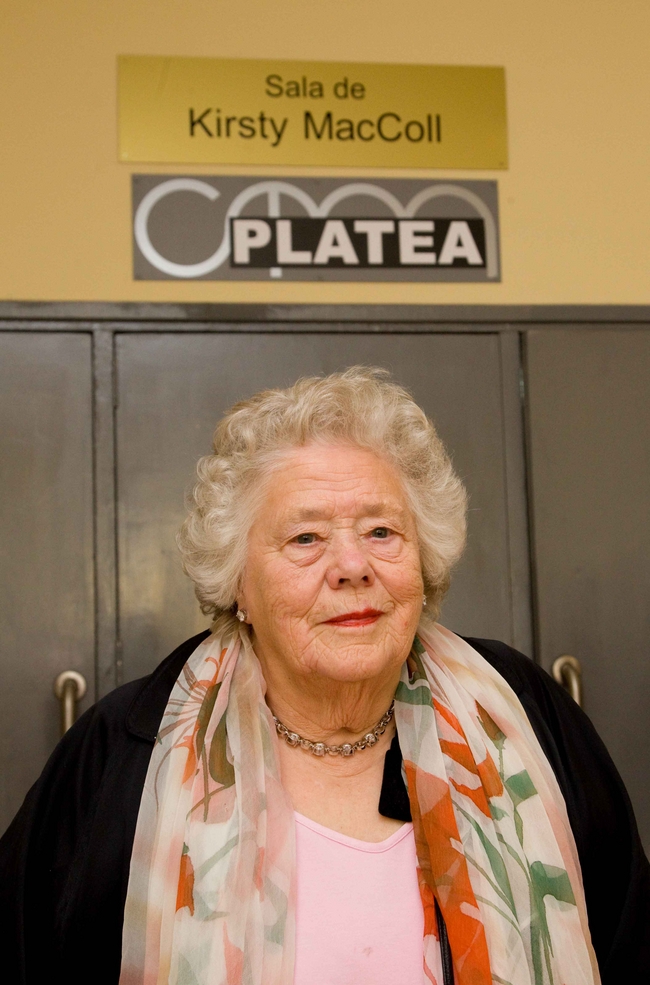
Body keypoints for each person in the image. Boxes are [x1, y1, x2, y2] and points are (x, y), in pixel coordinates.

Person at [1, 368, 648, 985]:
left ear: (423, 563)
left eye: (381, 530)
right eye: (306, 538)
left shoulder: (520, 709)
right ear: (239, 587)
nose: (352, 565)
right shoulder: (125, 747)